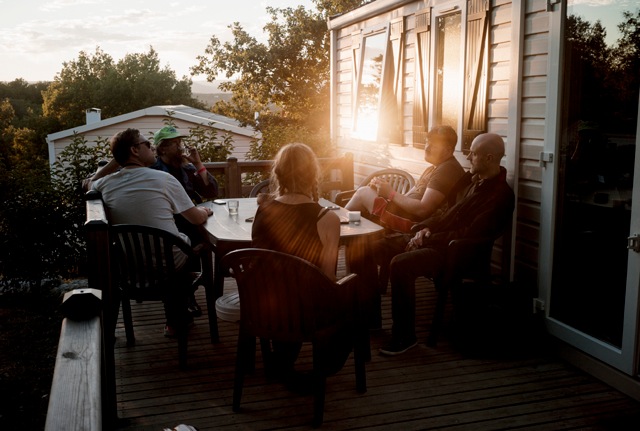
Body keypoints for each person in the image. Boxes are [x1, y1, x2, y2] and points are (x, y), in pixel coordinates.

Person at [379, 133, 515, 356]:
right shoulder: (473, 182)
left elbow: (469, 233)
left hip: (456, 253)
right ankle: (369, 317)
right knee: (377, 246)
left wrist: (428, 237)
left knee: (400, 264)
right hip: (436, 239)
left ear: (489, 158)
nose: (468, 157)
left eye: (473, 153)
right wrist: (422, 228)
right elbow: (446, 214)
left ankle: (404, 337)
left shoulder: (499, 196)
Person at [83, 128, 213, 337]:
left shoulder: (105, 184)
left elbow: (89, 183)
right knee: (192, 244)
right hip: (169, 265)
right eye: (146, 145)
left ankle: (177, 316)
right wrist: (205, 211)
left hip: (130, 266)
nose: (152, 148)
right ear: (135, 150)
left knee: (176, 246)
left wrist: (117, 160)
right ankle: (179, 315)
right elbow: (196, 218)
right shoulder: (163, 179)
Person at [251, 143, 348, 392]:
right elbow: (328, 277)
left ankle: (282, 360)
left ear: (279, 174)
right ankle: (321, 369)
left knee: (286, 289)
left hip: (264, 307)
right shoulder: (326, 218)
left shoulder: (263, 210)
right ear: (313, 174)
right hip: (304, 313)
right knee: (353, 297)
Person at [151, 125, 219, 317]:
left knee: (196, 233)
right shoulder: (153, 170)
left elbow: (210, 192)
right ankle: (184, 297)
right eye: (175, 144)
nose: (181, 147)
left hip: (188, 221)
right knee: (192, 236)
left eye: (180, 142)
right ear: (162, 148)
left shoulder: (185, 168)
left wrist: (198, 165)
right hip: (165, 224)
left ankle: (188, 294)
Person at [345, 125, 465, 231]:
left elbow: (423, 210)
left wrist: (391, 193)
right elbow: (408, 196)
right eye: (427, 143)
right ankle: (343, 232)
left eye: (433, 146)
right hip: (404, 215)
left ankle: (337, 229)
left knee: (363, 193)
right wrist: (383, 192)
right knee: (366, 195)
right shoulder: (433, 168)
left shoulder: (447, 169)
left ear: (448, 150)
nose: (427, 148)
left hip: (413, 224)